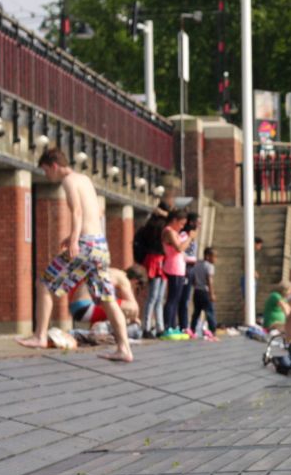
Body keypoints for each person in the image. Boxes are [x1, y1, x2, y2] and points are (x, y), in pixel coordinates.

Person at [15, 147, 134, 362]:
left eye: (46, 170)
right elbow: (95, 213)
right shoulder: (85, 179)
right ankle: (124, 349)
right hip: (100, 245)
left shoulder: (68, 181)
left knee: (44, 283)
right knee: (107, 298)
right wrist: (73, 235)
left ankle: (40, 336)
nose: (46, 175)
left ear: (54, 166)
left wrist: (74, 239)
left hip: (85, 245)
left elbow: (77, 211)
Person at [159, 209, 192, 339]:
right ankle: (168, 327)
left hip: (179, 268)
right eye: (181, 224)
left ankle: (173, 326)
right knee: (172, 299)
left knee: (177, 299)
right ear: (174, 220)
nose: (182, 227)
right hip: (173, 268)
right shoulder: (169, 231)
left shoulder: (174, 232)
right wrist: (190, 238)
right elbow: (179, 248)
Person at [189, 248, 218, 339]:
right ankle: (213, 330)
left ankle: (192, 329)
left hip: (197, 292)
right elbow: (210, 281)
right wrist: (212, 294)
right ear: (207, 256)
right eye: (214, 257)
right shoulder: (209, 266)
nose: (216, 259)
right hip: (206, 292)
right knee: (210, 312)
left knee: (196, 312)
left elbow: (193, 279)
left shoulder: (197, 264)